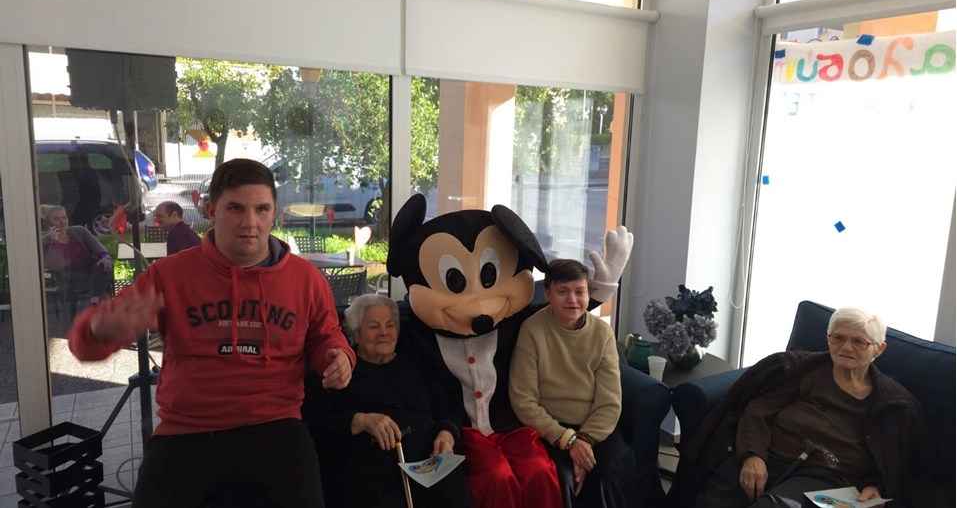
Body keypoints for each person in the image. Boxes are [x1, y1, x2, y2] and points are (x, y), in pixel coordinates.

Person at [67, 158, 356, 508]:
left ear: (274, 213)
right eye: (235, 208)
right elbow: (86, 346)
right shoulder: (170, 275)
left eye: (261, 209)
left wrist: (337, 356)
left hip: (276, 425)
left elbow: (325, 336)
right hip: (186, 431)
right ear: (211, 210)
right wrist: (99, 328)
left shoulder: (305, 279)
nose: (249, 222)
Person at [689, 307, 928, 508]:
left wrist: (876, 485)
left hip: (826, 478)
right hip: (768, 456)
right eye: (838, 338)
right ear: (828, 338)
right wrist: (753, 455)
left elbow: (900, 459)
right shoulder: (803, 370)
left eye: (859, 342)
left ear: (879, 349)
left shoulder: (895, 403)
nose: (846, 348)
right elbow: (758, 410)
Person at [319, 294, 473, 508]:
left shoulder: (417, 365)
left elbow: (449, 409)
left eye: (390, 325)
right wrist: (360, 420)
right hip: (371, 467)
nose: (384, 332)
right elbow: (317, 417)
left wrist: (446, 434)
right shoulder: (343, 371)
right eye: (374, 326)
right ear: (356, 332)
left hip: (428, 458)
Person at [509, 259, 626, 508]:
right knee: (562, 477)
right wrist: (568, 440)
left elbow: (610, 402)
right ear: (548, 294)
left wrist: (584, 440)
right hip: (551, 429)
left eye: (579, 291)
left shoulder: (603, 334)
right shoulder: (532, 330)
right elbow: (523, 400)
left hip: (594, 428)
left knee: (606, 473)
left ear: (588, 294)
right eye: (562, 291)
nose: (572, 299)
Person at [40, 204, 113, 306]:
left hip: (89, 270)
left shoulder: (79, 231)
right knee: (102, 285)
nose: (62, 222)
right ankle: (99, 302)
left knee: (105, 265)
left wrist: (105, 257)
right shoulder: (46, 241)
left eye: (64, 218)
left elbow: (98, 247)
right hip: (69, 276)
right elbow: (53, 266)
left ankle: (95, 300)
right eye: (56, 219)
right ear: (49, 223)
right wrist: (55, 243)